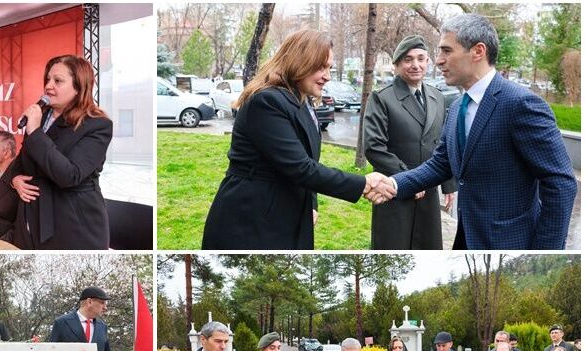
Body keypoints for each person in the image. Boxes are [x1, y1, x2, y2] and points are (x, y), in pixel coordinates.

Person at [384, 14, 576, 249]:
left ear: (478, 51)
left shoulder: (520, 104)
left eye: (446, 51)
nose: (438, 61)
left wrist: (547, 253)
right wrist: (393, 185)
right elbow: (441, 163)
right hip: (467, 241)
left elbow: (560, 182)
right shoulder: (455, 107)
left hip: (510, 246)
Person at [200, 30, 393, 250]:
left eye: (329, 67)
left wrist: (311, 203)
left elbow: (307, 161)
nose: (327, 76)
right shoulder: (266, 101)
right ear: (299, 61)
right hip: (252, 217)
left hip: (283, 211)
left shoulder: (301, 100)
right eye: (320, 67)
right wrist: (365, 183)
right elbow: (300, 167)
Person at [9, 55, 112, 250]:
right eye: (47, 80)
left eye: (58, 81)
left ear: (79, 87)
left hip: (74, 225)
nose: (48, 86)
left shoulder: (97, 125)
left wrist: (36, 133)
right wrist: (15, 179)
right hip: (32, 218)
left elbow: (69, 175)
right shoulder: (42, 116)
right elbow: (23, 160)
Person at [363, 35, 456, 250]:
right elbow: (374, 147)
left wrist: (448, 184)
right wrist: (409, 180)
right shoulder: (382, 98)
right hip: (394, 191)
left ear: (428, 62)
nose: (415, 65)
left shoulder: (437, 96)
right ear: (396, 65)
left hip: (429, 193)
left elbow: (444, 143)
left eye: (421, 59)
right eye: (408, 59)